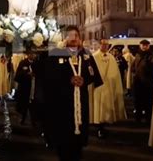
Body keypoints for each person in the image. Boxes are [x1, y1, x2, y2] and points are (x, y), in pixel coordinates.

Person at [41, 25, 103, 161]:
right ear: (64, 38)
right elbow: (49, 76)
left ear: (80, 38)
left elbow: (94, 75)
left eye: (76, 36)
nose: (73, 38)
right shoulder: (56, 53)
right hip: (63, 102)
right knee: (63, 136)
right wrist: (68, 80)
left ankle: (77, 151)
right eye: (70, 35)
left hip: (81, 100)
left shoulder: (86, 55)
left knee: (78, 141)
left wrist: (84, 80)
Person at [90, 39, 126, 138]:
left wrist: (112, 80)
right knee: (98, 107)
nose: (105, 46)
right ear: (99, 45)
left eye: (107, 44)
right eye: (103, 44)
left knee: (106, 107)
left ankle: (103, 125)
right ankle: (99, 128)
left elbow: (115, 71)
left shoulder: (111, 57)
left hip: (108, 86)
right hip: (98, 86)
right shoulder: (94, 56)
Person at [131, 39, 153, 123]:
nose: (144, 46)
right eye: (143, 45)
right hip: (138, 83)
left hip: (148, 83)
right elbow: (133, 67)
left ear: (148, 46)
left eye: (146, 45)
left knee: (148, 103)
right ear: (140, 45)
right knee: (137, 102)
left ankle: (148, 120)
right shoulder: (137, 55)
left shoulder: (151, 55)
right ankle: (137, 119)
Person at [14, 51, 37, 125]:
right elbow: (18, 76)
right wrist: (27, 75)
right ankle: (23, 119)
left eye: (34, 54)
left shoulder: (37, 63)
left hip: (34, 87)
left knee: (33, 105)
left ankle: (34, 121)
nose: (32, 55)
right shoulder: (23, 63)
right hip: (25, 88)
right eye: (31, 53)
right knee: (24, 104)